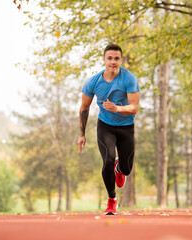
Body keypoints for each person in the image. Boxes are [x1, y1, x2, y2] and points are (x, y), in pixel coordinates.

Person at [77, 43, 140, 215]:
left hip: (126, 126)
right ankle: (111, 200)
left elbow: (134, 107)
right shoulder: (93, 82)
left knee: (127, 169)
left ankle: (120, 169)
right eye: (110, 58)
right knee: (108, 160)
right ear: (104, 59)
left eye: (116, 58)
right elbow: (84, 107)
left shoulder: (129, 79)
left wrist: (118, 109)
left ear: (121, 60)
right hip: (105, 127)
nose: (113, 62)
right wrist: (81, 134)